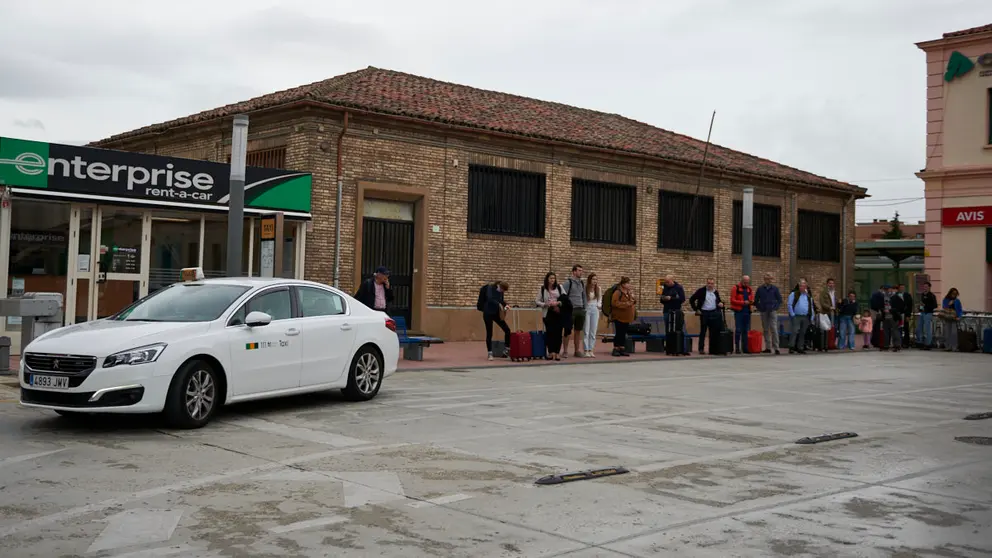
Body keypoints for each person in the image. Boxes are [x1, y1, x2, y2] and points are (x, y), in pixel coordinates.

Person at [536, 272, 567, 361]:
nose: (552, 280)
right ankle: (551, 352)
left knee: (558, 333)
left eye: (553, 278)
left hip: (558, 312)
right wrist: (545, 304)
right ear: (547, 279)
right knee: (550, 333)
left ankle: (557, 353)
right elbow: (537, 301)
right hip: (548, 312)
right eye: (550, 278)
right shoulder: (543, 289)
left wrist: (559, 303)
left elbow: (565, 298)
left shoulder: (559, 287)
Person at [689, 278, 724, 354]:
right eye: (709, 283)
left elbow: (719, 301)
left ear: (714, 284)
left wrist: (720, 304)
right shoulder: (701, 291)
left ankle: (712, 349)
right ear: (706, 283)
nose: (710, 285)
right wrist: (696, 309)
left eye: (712, 284)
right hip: (704, 313)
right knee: (703, 331)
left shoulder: (715, 292)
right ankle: (701, 348)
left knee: (713, 332)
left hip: (714, 313)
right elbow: (691, 299)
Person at [754, 273, 783, 355]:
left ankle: (776, 348)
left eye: (770, 279)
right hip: (764, 311)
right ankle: (768, 347)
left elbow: (780, 300)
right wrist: (760, 307)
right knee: (766, 329)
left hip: (772, 311)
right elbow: (756, 300)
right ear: (764, 280)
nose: (769, 280)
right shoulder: (760, 289)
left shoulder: (775, 289)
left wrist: (775, 307)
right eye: (767, 279)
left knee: (774, 328)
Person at [482, 281, 511, 361]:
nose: (502, 292)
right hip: (488, 313)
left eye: (503, 291)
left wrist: (506, 305)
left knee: (507, 330)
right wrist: (499, 304)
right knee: (489, 333)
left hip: (496, 314)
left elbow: (501, 300)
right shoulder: (490, 288)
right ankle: (490, 353)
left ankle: (506, 350)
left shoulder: (501, 292)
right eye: (502, 290)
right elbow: (490, 299)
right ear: (499, 286)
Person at [562, 265, 586, 359]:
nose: (581, 272)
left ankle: (577, 351)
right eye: (579, 270)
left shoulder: (581, 283)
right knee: (567, 331)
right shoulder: (568, 282)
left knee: (578, 331)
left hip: (580, 309)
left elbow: (583, 296)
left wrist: (584, 307)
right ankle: (565, 351)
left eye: (581, 270)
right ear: (574, 272)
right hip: (571, 310)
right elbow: (563, 296)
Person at [660, 274, 688, 355]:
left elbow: (682, 299)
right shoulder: (665, 287)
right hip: (667, 311)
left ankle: (680, 348)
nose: (666, 283)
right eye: (665, 282)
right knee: (668, 330)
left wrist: (671, 298)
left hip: (676, 312)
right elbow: (661, 300)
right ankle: (669, 348)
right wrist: (664, 299)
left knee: (678, 329)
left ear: (672, 280)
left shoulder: (678, 287)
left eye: (668, 282)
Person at [610, 276, 637, 357]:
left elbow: (632, 301)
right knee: (619, 333)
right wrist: (626, 304)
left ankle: (622, 348)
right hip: (619, 317)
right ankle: (616, 349)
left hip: (627, 317)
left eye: (629, 283)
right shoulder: (617, 292)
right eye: (627, 283)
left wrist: (633, 298)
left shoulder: (628, 293)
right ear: (623, 284)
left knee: (623, 333)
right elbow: (614, 303)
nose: (629, 285)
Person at [787, 280, 814, 355]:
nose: (802, 287)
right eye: (801, 286)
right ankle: (791, 347)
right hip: (796, 316)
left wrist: (812, 316)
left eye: (804, 286)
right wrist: (792, 314)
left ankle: (800, 347)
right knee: (795, 331)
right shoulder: (794, 294)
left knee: (803, 332)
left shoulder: (808, 296)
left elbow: (811, 306)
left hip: (805, 316)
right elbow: (789, 304)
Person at [729, 275, 754, 354]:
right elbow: (732, 300)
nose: (746, 284)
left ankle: (745, 348)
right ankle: (737, 348)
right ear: (741, 280)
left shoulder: (749, 289)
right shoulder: (735, 288)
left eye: (747, 282)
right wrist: (743, 302)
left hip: (747, 312)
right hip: (739, 312)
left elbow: (751, 298)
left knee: (745, 330)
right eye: (744, 282)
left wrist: (751, 302)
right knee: (738, 330)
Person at [582, 273, 603, 357]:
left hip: (595, 309)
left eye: (596, 279)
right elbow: (584, 299)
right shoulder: (585, 288)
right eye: (593, 279)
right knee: (586, 330)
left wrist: (599, 305)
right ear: (589, 280)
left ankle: (591, 349)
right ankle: (586, 350)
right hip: (587, 309)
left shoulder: (598, 288)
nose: (595, 281)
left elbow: (600, 299)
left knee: (593, 331)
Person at [881, 285, 905, 352]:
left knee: (895, 331)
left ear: (891, 289)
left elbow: (901, 307)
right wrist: (882, 310)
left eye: (887, 289)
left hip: (893, 316)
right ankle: (886, 345)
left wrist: (891, 310)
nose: (886, 290)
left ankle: (897, 345)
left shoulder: (896, 297)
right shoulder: (883, 296)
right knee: (886, 331)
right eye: (885, 289)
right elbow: (881, 305)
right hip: (885, 316)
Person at [916, 281, 938, 350]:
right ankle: (920, 342)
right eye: (924, 286)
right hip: (922, 313)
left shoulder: (932, 295)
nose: (925, 288)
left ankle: (928, 344)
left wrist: (925, 305)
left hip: (928, 313)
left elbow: (935, 305)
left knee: (927, 329)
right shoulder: (922, 294)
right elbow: (922, 304)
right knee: (919, 328)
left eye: (926, 286)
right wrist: (919, 307)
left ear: (929, 287)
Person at [941, 287, 963, 352]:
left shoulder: (957, 301)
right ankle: (948, 346)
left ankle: (954, 347)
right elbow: (944, 307)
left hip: (954, 317)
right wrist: (949, 304)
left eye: (955, 294)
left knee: (954, 333)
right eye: (953, 293)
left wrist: (959, 316)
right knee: (947, 332)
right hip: (947, 317)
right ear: (950, 293)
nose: (954, 295)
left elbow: (960, 309)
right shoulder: (946, 300)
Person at [897, 284, 914, 348]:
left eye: (903, 287)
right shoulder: (896, 295)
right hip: (898, 314)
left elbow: (910, 306)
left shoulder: (907, 295)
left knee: (906, 329)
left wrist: (908, 315)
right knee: (898, 328)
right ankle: (899, 342)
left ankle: (906, 343)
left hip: (905, 314)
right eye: (901, 287)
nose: (902, 289)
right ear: (899, 288)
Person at [869, 284, 886, 348]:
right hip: (877, 312)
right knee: (877, 327)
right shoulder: (878, 294)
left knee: (876, 327)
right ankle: (876, 341)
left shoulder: (876, 294)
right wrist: (880, 310)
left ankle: (875, 341)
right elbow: (875, 304)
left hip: (877, 312)